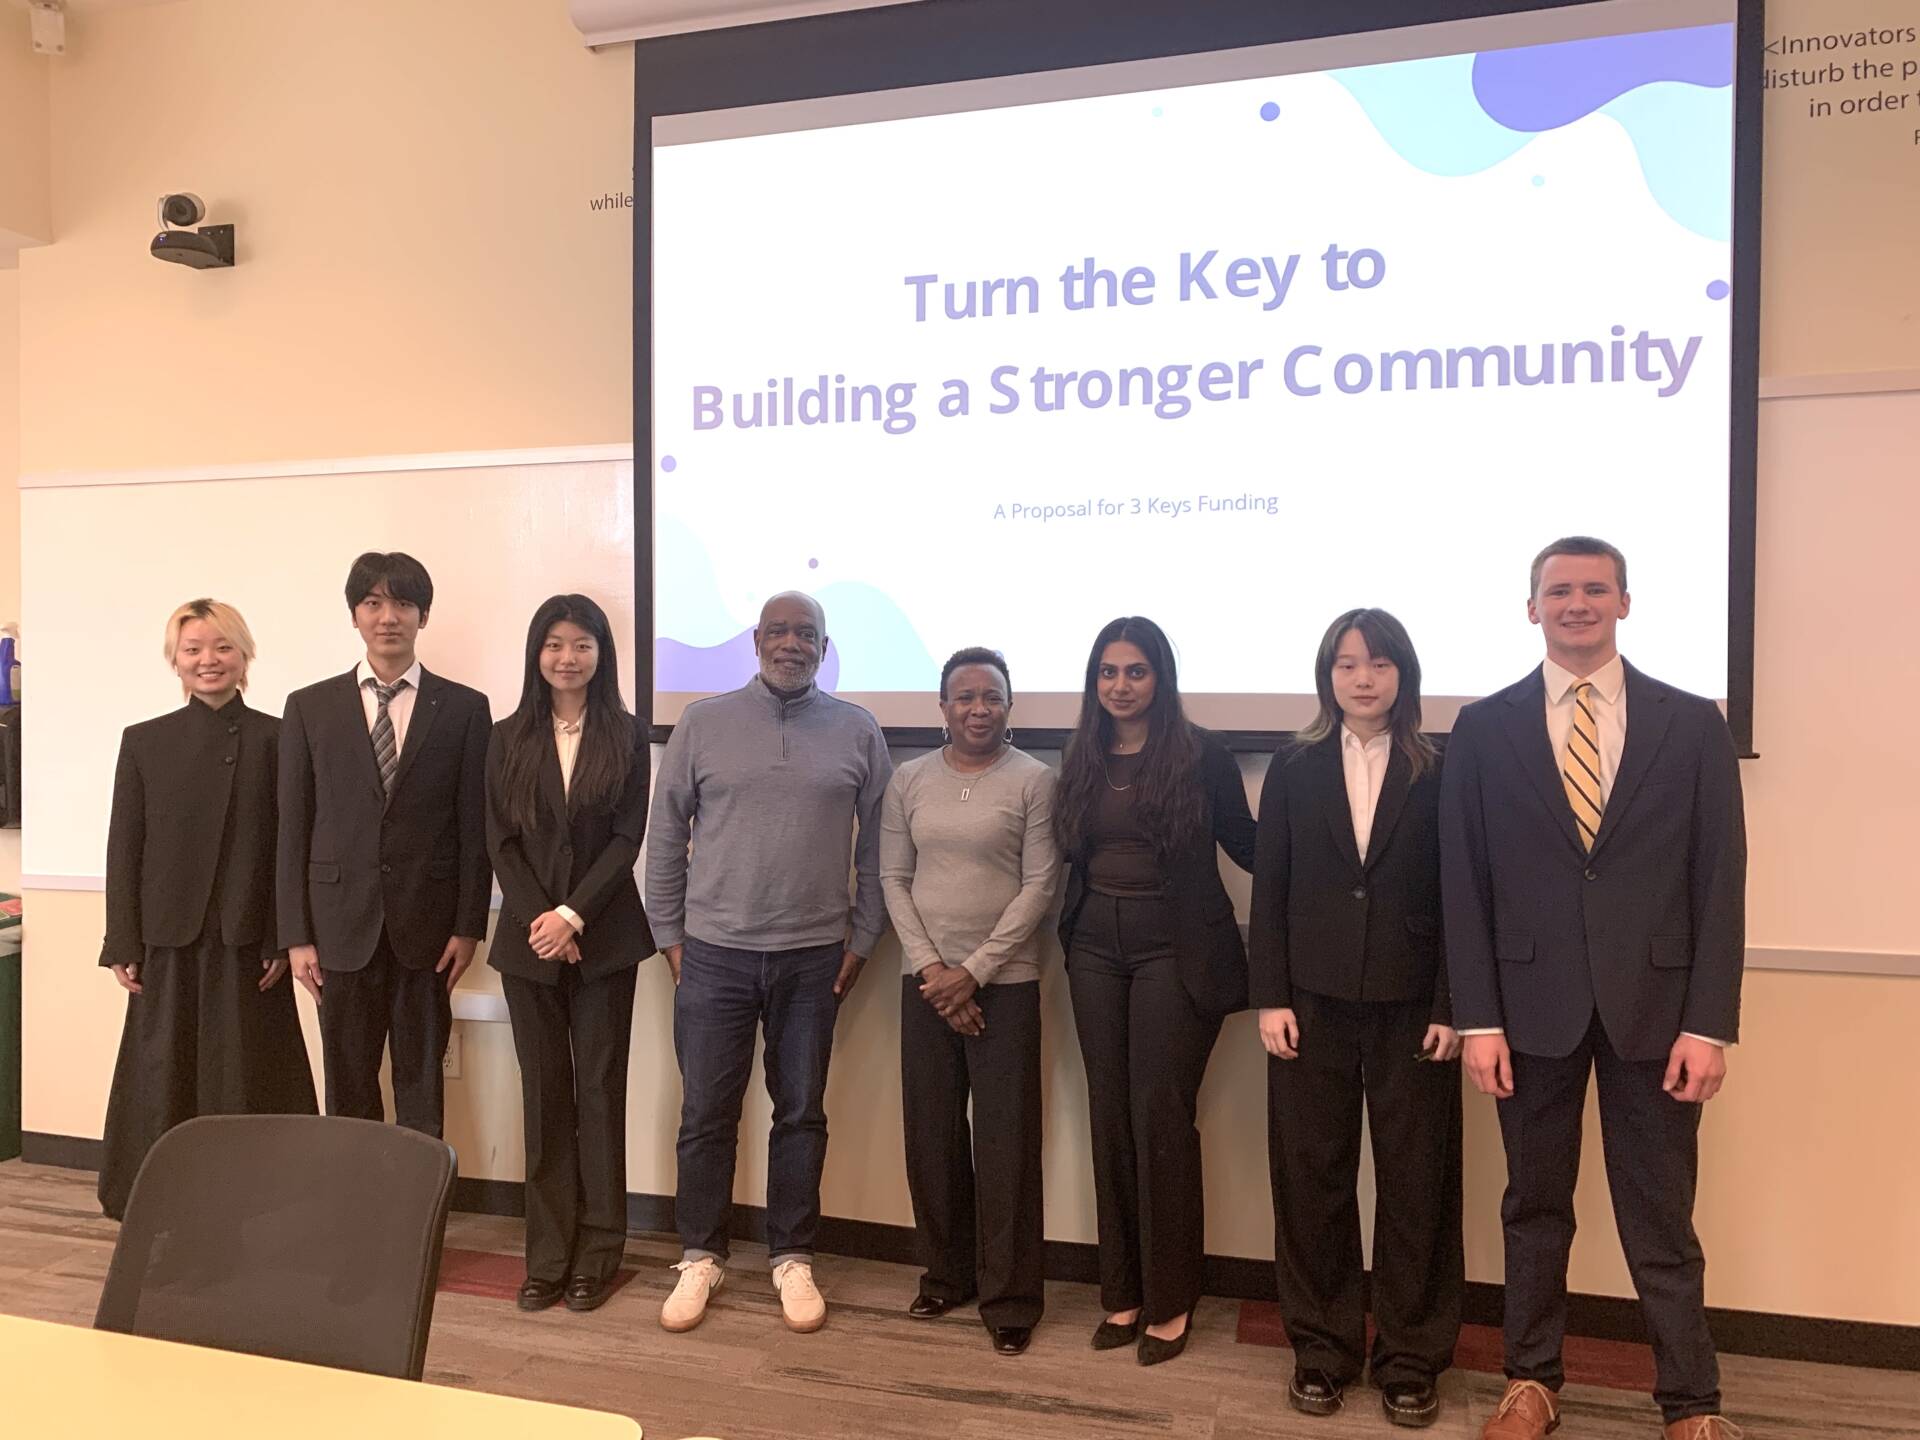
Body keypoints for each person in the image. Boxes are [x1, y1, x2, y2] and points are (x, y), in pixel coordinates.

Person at [1441, 537, 1746, 1440]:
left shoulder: (1694, 725)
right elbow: (1467, 883)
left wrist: (1710, 1025)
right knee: (1534, 1210)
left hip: (1658, 1016)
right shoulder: (1484, 728)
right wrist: (1478, 1020)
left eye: (1595, 589)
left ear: (1625, 602)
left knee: (1662, 1222)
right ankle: (1531, 1383)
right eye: (1559, 590)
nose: (1578, 603)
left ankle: (1691, 1404)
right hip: (1526, 1016)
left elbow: (1719, 882)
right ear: (1531, 608)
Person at [646, 591, 892, 1335]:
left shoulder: (858, 731)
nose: (792, 643)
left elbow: (880, 851)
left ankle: (792, 1256)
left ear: (825, 645)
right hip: (714, 954)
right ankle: (700, 1255)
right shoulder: (702, 722)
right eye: (779, 631)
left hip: (814, 958)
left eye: (806, 633)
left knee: (802, 1113)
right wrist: (670, 935)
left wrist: (863, 939)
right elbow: (664, 837)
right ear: (755, 640)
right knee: (705, 1115)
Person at [1249, 609, 1462, 1426]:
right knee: (1312, 1181)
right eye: (1345, 665)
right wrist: (1272, 996)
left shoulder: (1441, 766)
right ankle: (1322, 1349)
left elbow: (1461, 897)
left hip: (1416, 1009)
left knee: (1418, 1187)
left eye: (1377, 664)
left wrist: (1453, 1003)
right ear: (1326, 676)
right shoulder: (1295, 766)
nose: (1362, 678)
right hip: (1310, 1006)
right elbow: (1271, 889)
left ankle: (1411, 1357)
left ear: (1403, 674)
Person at [1054, 615, 1256, 1366]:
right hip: (1093, 950)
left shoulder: (1203, 753)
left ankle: (1171, 1301)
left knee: (1160, 1117)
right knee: (1109, 1115)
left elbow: (1248, 843)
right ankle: (1123, 1291)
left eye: (1135, 671)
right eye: (1108, 672)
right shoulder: (1082, 752)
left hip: (1177, 947)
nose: (1120, 685)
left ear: (1160, 677)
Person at [98, 599, 316, 1219]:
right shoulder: (144, 741)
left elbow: (291, 844)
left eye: (221, 647)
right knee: (162, 1069)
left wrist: (283, 934)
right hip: (167, 937)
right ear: (175, 660)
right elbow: (125, 846)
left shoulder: (280, 736)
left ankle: (259, 1199)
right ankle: (158, 1197)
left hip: (250, 939)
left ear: (244, 655)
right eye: (192, 649)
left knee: (250, 1069)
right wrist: (123, 942)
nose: (208, 660)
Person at [881, 647, 1060, 1357]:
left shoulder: (1037, 781)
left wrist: (974, 973)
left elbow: (1040, 886)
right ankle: (946, 1273)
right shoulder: (908, 780)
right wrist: (934, 971)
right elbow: (893, 877)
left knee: (1006, 1143)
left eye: (991, 696)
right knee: (931, 1136)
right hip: (924, 983)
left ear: (1010, 705)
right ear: (943, 706)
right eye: (964, 696)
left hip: (1005, 984)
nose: (977, 708)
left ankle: (1011, 1296)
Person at [277, 552, 492, 1138]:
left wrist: (468, 926)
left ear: (422, 614)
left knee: (422, 1086)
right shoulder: (308, 707)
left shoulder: (466, 709)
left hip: (428, 932)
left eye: (402, 603)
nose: (387, 616)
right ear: (355, 615)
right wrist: (296, 934)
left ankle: (418, 1221)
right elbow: (292, 827)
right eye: (373, 603)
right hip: (338, 931)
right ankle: (357, 1220)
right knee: (347, 1085)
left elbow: (475, 827)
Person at [485, 594, 654, 1314]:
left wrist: (573, 914)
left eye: (581, 644)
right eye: (553, 644)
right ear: (536, 654)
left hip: (605, 942)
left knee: (601, 1096)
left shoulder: (627, 733)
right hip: (529, 949)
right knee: (546, 1097)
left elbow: (626, 839)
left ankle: (597, 1255)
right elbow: (500, 841)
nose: (566, 657)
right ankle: (547, 1259)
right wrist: (542, 922)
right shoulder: (504, 737)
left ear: (600, 654)